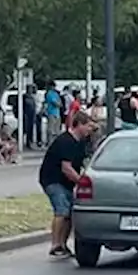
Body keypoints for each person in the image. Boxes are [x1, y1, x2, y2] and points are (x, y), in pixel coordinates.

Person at [38, 110, 98, 258]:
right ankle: (55, 244)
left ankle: (63, 244)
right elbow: (67, 168)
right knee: (62, 210)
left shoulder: (81, 142)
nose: (90, 130)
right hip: (53, 180)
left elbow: (85, 161)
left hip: (67, 183)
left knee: (71, 212)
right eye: (88, 126)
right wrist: (81, 182)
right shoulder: (66, 141)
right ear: (79, 125)